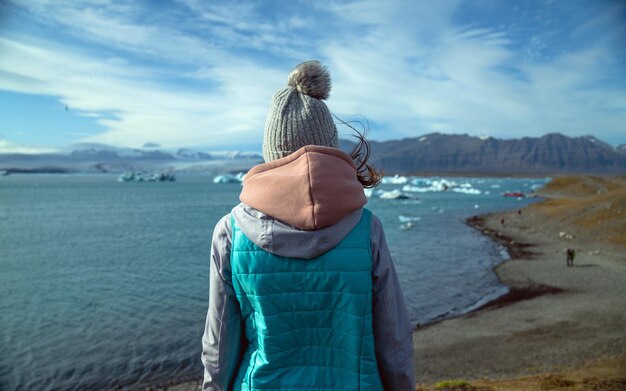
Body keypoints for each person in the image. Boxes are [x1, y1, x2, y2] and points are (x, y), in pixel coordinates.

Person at [201, 60, 415, 390]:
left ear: (271, 153)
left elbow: (219, 347)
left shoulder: (231, 233)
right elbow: (393, 337)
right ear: (330, 148)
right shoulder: (366, 228)